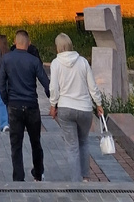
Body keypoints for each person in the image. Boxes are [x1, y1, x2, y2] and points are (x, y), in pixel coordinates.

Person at [48, 33, 104, 183]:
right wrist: (98, 103)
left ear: (58, 47)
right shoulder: (83, 62)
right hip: (84, 108)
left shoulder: (56, 63)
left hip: (66, 108)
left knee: (72, 146)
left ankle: (75, 181)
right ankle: (86, 177)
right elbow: (93, 86)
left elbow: (54, 88)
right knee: (84, 141)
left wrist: (53, 105)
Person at [0, 29, 49, 182]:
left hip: (14, 106)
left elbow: (1, 84)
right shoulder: (34, 61)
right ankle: (38, 173)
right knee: (36, 142)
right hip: (32, 106)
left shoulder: (6, 59)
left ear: (15, 42)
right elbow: (46, 83)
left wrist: (7, 100)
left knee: (16, 145)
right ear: (28, 44)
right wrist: (54, 101)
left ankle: (18, 178)